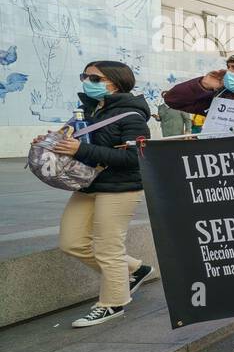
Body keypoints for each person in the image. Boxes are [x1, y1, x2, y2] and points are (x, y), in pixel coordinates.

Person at [46, 61, 155, 327]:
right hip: (88, 184)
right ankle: (134, 269)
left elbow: (135, 158)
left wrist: (79, 150)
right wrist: (50, 142)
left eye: (95, 78)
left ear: (114, 83)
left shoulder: (132, 116)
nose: (87, 81)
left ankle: (112, 303)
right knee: (71, 242)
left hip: (121, 187)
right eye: (85, 76)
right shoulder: (87, 110)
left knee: (108, 247)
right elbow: (74, 142)